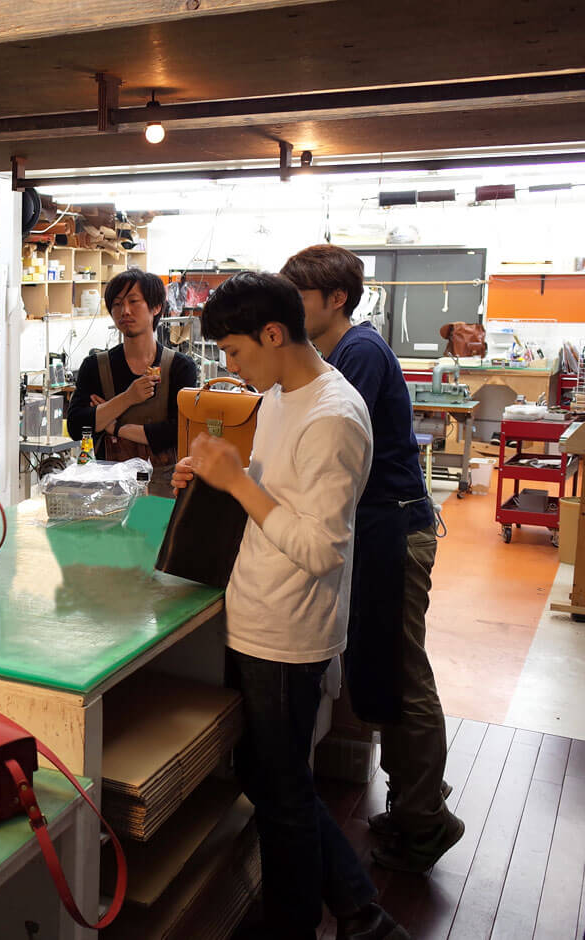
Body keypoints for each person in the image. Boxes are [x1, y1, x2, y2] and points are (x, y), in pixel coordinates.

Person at [172, 272, 407, 940]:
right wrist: (216, 476)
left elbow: (321, 547)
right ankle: (359, 912)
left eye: (236, 352)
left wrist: (238, 485)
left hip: (288, 632)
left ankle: (309, 923)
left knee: (283, 798)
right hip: (256, 611)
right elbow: (274, 491)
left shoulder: (333, 416)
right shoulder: (280, 394)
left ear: (273, 334)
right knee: (271, 779)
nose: (231, 366)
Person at [282, 244, 464, 872]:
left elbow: (325, 438)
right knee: (389, 664)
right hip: (380, 524)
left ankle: (426, 821)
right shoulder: (343, 351)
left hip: (393, 527)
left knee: (401, 668)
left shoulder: (356, 352)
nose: (289, 305)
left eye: (298, 294)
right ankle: (419, 801)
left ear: (335, 299)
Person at [66, 269, 200, 496]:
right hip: (109, 489)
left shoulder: (180, 367)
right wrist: (128, 398)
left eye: (133, 301)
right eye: (117, 304)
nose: (124, 311)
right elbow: (77, 427)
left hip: (164, 490)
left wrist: (114, 426)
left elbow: (179, 430)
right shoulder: (95, 367)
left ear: (156, 307)